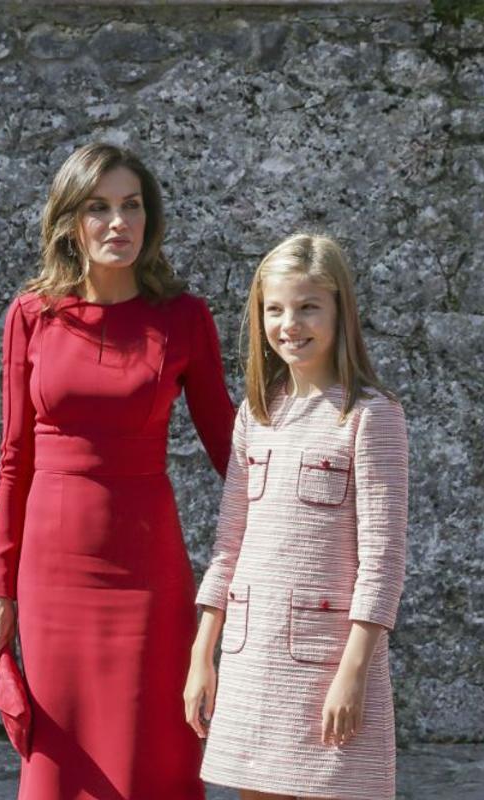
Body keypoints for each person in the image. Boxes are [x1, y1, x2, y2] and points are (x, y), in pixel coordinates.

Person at [0, 142, 235, 799]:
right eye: (99, 207)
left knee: (154, 747)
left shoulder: (183, 318)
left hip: (148, 566)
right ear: (70, 222)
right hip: (52, 571)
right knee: (61, 755)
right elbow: (13, 459)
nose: (118, 222)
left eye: (132, 206)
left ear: (150, 220)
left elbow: (229, 444)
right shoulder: (32, 315)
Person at [184, 233, 408, 800]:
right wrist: (202, 656)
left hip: (328, 665)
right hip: (251, 661)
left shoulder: (369, 416)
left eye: (309, 306)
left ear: (340, 311)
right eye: (275, 309)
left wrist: (353, 672)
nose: (291, 324)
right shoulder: (255, 417)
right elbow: (229, 545)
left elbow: (381, 559)